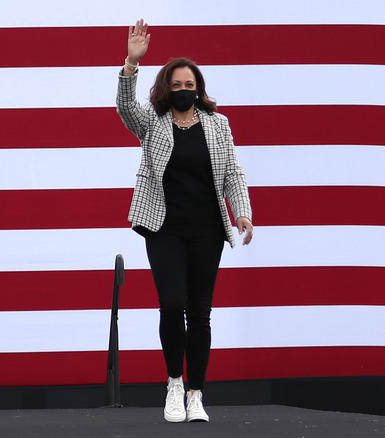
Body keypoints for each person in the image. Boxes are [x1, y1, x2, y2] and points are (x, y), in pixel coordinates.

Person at [116, 19, 254, 423]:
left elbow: (233, 172)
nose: (182, 90)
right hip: (164, 227)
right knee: (171, 305)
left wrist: (241, 211)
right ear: (166, 88)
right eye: (175, 85)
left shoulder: (218, 124)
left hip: (207, 229)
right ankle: (175, 384)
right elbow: (125, 107)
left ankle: (196, 394)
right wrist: (131, 63)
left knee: (200, 312)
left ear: (199, 87)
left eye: (188, 84)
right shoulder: (152, 122)